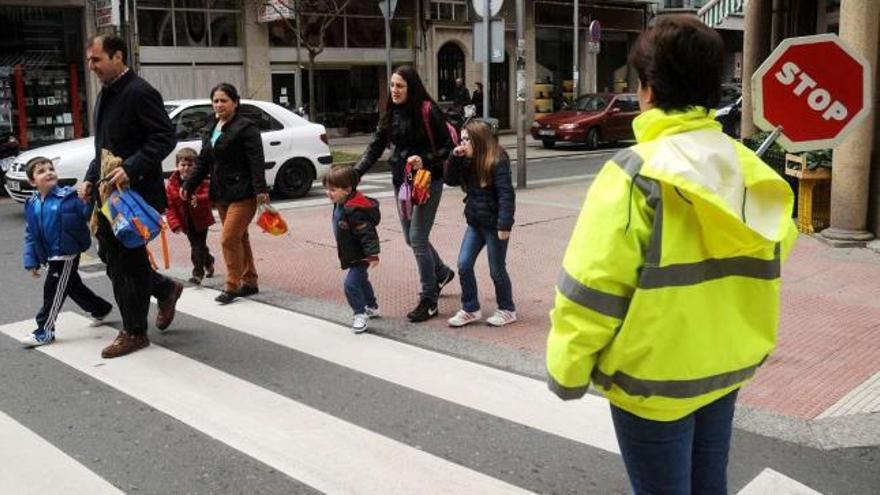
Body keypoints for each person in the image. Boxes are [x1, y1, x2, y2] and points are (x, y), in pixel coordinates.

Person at [545, 15, 797, 495]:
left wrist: (568, 370)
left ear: (647, 90)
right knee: (709, 486)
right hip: (724, 369)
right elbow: (778, 245)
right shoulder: (747, 168)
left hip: (652, 384)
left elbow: (593, 288)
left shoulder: (635, 174)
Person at [78, 34, 183, 359]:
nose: (91, 66)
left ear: (118, 56)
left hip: (133, 196)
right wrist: (90, 177)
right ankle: (166, 289)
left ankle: (135, 331)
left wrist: (133, 168)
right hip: (108, 194)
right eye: (90, 60)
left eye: (96, 59)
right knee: (114, 259)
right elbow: (104, 147)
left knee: (125, 264)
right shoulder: (105, 94)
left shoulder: (141, 92)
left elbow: (165, 137)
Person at [354, 66, 455, 322]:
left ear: (411, 87)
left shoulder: (428, 110)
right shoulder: (390, 113)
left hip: (427, 181)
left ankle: (429, 299)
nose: (394, 91)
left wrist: (425, 159)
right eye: (392, 85)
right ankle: (441, 272)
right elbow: (376, 146)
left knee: (418, 238)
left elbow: (448, 148)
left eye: (400, 86)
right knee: (411, 239)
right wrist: (355, 173)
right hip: (402, 185)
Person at [182, 83, 269, 305]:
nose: (219, 105)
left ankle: (232, 286)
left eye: (224, 100)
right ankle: (249, 281)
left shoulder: (246, 127)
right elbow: (203, 161)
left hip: (244, 192)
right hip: (221, 192)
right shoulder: (212, 126)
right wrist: (189, 185)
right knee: (240, 238)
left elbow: (256, 161)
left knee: (229, 238)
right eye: (216, 101)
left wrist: (261, 190)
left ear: (235, 102)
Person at [20, 157, 113, 347]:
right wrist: (31, 260)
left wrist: (86, 200)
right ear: (32, 181)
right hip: (47, 255)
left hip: (66, 253)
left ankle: (44, 330)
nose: (48, 172)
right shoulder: (32, 203)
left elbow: (87, 214)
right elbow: (31, 233)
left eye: (50, 168)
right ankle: (100, 308)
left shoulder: (68, 197)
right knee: (71, 285)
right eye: (41, 171)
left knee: (53, 291)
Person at [444, 120, 516, 328]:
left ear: (479, 140)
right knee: (464, 264)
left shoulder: (497, 160)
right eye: (461, 138)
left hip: (495, 225)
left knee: (496, 269)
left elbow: (505, 195)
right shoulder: (467, 160)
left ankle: (507, 309)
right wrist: (453, 157)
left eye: (467, 139)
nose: (462, 143)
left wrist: (504, 225)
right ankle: (470, 308)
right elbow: (450, 180)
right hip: (475, 222)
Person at [324, 165, 381, 334]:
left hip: (361, 255)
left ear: (347, 189)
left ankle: (359, 314)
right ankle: (372, 306)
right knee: (362, 281)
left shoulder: (355, 210)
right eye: (327, 189)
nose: (328, 193)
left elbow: (367, 233)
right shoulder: (340, 203)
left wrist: (372, 254)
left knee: (350, 284)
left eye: (333, 190)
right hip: (352, 252)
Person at [165, 147, 215, 286]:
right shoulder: (172, 184)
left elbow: (210, 194)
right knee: (199, 245)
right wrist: (175, 224)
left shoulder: (202, 179)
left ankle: (197, 273)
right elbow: (170, 207)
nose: (186, 168)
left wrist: (199, 198)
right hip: (186, 221)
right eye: (183, 165)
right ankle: (209, 261)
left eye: (190, 165)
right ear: (177, 166)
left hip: (201, 218)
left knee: (196, 245)